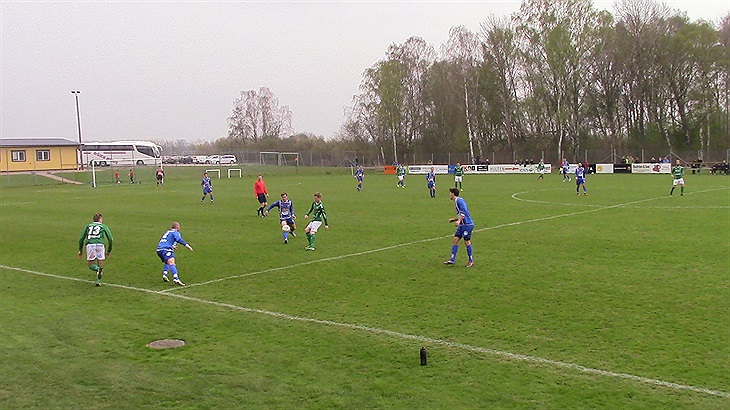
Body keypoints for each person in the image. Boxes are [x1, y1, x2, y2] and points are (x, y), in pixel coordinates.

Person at [78, 213, 113, 286]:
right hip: (100, 245)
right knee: (100, 263)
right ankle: (98, 280)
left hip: (90, 245)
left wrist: (80, 250)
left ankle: (97, 270)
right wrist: (109, 251)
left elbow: (81, 238)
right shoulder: (103, 226)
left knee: (91, 265)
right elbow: (110, 239)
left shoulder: (88, 226)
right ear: (100, 219)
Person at [444, 188, 474, 268]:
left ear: (453, 194)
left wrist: (458, 221)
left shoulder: (459, 201)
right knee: (455, 240)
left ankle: (471, 261)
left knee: (467, 241)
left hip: (467, 225)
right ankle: (452, 259)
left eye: (450, 193)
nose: (449, 195)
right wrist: (454, 219)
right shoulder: (458, 201)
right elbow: (461, 214)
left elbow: (464, 212)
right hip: (462, 225)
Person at [156, 221, 193, 286]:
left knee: (167, 262)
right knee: (172, 263)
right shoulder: (175, 232)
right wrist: (188, 246)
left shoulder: (168, 232)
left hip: (159, 250)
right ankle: (176, 278)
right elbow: (179, 240)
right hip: (166, 249)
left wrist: (172, 246)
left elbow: (165, 240)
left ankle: (165, 274)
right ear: (177, 227)